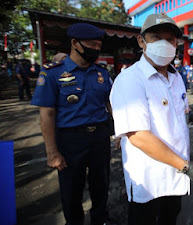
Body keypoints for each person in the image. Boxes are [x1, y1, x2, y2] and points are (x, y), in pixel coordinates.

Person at [109, 13, 193, 225]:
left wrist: (191, 115)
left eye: (170, 39)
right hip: (149, 177)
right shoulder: (130, 80)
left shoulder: (175, 76)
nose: (164, 44)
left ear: (177, 43)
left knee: (170, 218)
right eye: (156, 37)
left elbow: (174, 111)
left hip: (175, 173)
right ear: (141, 41)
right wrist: (185, 166)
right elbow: (138, 136)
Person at [31, 23, 114, 225]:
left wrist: (120, 134)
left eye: (98, 44)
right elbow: (47, 115)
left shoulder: (102, 73)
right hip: (70, 140)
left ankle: (100, 219)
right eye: (91, 44)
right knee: (71, 189)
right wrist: (52, 152)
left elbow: (112, 105)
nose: (96, 48)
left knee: (101, 185)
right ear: (75, 43)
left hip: (99, 138)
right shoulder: (52, 74)